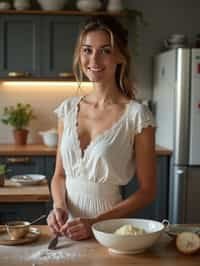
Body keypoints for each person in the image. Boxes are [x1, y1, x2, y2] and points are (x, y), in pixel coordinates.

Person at [47, 16, 156, 241]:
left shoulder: (137, 116)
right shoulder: (67, 109)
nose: (94, 59)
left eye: (105, 50)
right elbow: (59, 176)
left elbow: (147, 191)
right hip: (65, 230)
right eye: (87, 50)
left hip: (108, 229)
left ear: (120, 57)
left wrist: (95, 223)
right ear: (80, 55)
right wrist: (59, 207)